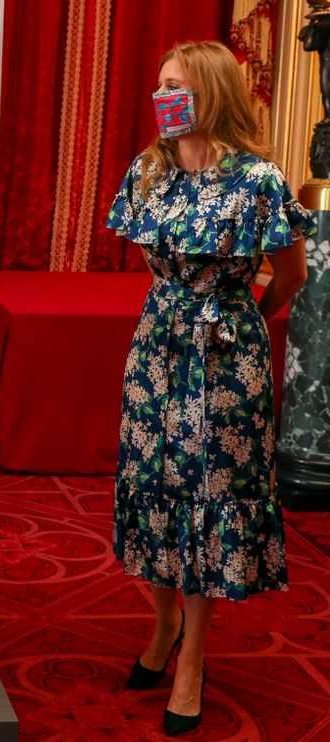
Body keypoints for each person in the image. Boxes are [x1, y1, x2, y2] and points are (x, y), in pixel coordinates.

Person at [105, 40, 313, 736]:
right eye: (161, 83)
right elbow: (151, 261)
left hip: (226, 358)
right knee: (154, 489)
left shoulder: (258, 180)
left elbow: (291, 275)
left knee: (208, 496)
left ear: (212, 92)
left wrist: (240, 317)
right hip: (158, 346)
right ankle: (162, 627)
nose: (165, 96)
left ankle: (193, 657)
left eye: (178, 85)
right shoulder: (148, 171)